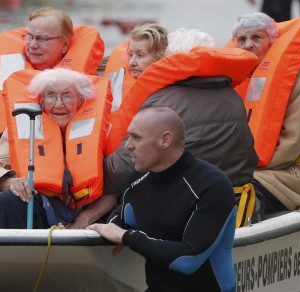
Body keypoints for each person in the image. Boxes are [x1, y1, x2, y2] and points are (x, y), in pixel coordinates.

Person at [75, 27, 259, 229]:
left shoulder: (163, 101)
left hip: (183, 208)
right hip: (235, 201)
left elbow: (122, 169)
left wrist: (84, 177)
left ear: (174, 61)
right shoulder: (232, 97)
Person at [88, 107, 237, 292]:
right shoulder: (136, 182)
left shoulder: (211, 185)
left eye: (136, 137)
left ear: (165, 140)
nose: (127, 146)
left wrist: (127, 237)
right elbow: (119, 221)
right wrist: (116, 231)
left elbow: (188, 260)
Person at [0, 68, 111, 229]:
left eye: (67, 96)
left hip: (62, 209)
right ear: (41, 101)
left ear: (81, 100)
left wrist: (85, 219)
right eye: (51, 96)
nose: (59, 104)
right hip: (21, 198)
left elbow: (116, 185)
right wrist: (8, 182)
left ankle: (16, 257)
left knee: (11, 201)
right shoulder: (26, 127)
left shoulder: (101, 131)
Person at [232, 12, 300, 220]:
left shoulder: (299, 84)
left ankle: (239, 246)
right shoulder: (237, 82)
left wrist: (240, 169)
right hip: (249, 170)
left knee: (240, 193)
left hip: (292, 176)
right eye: (242, 39)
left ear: (272, 42)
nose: (248, 45)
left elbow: (290, 146)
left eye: (256, 38)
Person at [0, 7, 104, 135]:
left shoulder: (85, 84)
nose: (33, 45)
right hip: (3, 150)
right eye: (30, 37)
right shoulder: (7, 77)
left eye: (42, 39)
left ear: (64, 45)